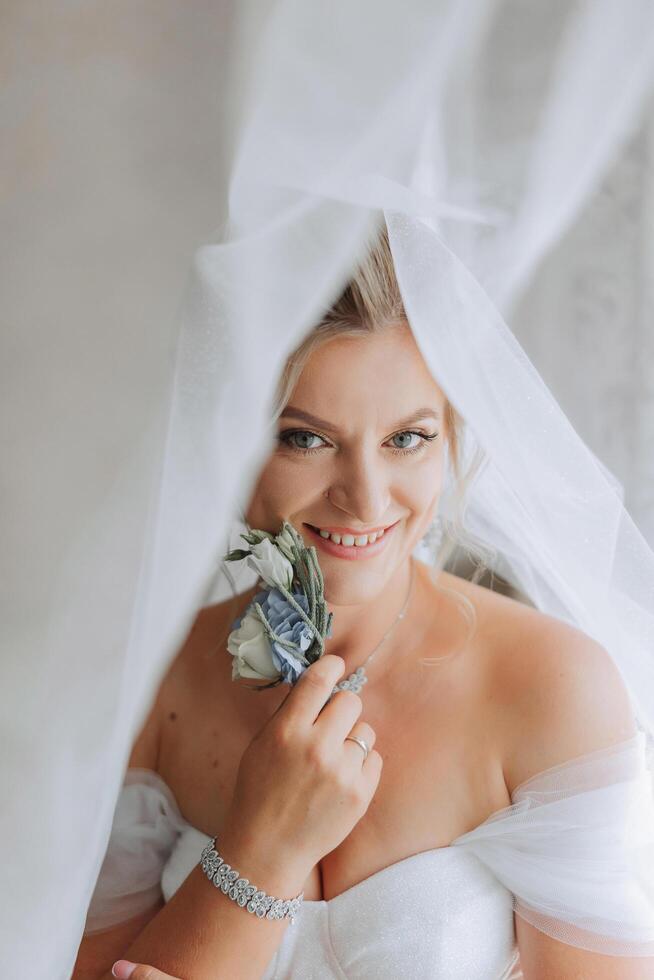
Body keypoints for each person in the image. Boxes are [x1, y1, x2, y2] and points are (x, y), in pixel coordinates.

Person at [73, 233, 652, 980]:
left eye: (407, 438)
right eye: (304, 438)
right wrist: (261, 850)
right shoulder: (153, 683)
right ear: (223, 441)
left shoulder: (552, 688)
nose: (367, 498)